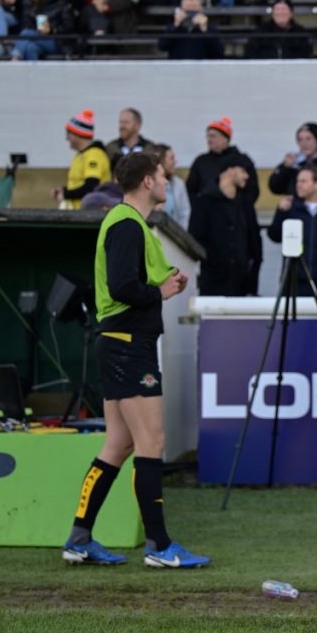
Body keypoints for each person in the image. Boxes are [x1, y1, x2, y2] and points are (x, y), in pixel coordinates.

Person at [61, 152, 209, 568]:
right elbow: (122, 286)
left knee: (119, 444)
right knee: (151, 443)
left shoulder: (127, 223)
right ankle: (159, 546)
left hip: (120, 342)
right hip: (128, 345)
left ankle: (79, 538)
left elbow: (128, 283)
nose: (166, 182)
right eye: (162, 176)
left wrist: (163, 286)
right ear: (147, 181)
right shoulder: (126, 223)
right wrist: (160, 292)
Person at [185, 116, 261, 292]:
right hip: (214, 272)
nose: (209, 140)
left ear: (226, 138)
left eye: (214, 136)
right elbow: (196, 234)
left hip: (240, 273)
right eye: (208, 136)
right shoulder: (201, 163)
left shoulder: (242, 161)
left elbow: (252, 239)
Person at [268, 165, 317, 297]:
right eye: (297, 181)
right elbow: (274, 236)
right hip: (293, 284)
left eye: (304, 181)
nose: (298, 185)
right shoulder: (291, 209)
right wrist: (280, 212)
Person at [189, 155, 256, 296]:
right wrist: (214, 263)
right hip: (213, 282)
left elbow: (253, 241)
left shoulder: (245, 204)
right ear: (230, 170)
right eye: (243, 171)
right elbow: (196, 238)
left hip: (241, 284)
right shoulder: (204, 202)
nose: (247, 176)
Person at [11, 0, 75, 61]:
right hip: (35, 38)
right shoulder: (28, 2)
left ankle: (15, 58)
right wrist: (38, 30)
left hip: (56, 41)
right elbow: (26, 24)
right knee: (30, 47)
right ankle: (32, 70)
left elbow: (69, 25)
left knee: (26, 34)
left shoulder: (59, 1)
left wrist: (52, 30)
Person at [53, 110, 112, 210]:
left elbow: (91, 186)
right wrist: (63, 190)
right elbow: (79, 184)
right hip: (80, 212)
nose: (67, 138)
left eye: (69, 133)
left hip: (91, 213)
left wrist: (66, 194)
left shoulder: (94, 155)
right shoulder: (80, 155)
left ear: (78, 134)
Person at [268, 122, 317, 200]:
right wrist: (285, 167)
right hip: (295, 206)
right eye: (300, 140)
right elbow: (274, 188)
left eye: (308, 139)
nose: (304, 143)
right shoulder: (293, 163)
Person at [158, 0, 224, 60]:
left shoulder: (210, 28)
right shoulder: (172, 26)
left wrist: (205, 30)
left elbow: (219, 52)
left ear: (201, 9)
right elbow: (162, 47)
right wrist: (175, 26)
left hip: (201, 65)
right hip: (178, 65)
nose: (191, 10)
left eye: (194, 7)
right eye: (187, 7)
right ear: (181, 9)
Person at [245, 0, 312, 59]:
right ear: (272, 13)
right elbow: (250, 54)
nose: (280, 12)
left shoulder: (300, 33)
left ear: (291, 13)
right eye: (277, 9)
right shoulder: (261, 31)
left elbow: (306, 55)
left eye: (283, 9)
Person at [154, 143, 191, 229]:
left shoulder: (178, 184)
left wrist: (181, 232)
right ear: (161, 160)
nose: (175, 161)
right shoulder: (148, 183)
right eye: (171, 158)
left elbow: (185, 212)